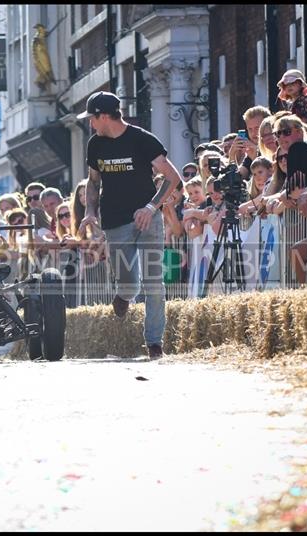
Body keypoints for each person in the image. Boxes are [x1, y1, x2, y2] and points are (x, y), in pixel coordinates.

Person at [78, 91, 180, 359]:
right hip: (115, 221)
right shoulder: (95, 145)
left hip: (148, 219)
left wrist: (151, 207)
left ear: (103, 116)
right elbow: (93, 181)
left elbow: (172, 177)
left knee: (154, 281)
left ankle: (154, 342)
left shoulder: (142, 140)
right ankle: (123, 296)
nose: (91, 124)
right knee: (129, 284)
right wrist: (89, 211)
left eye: (92, 118)